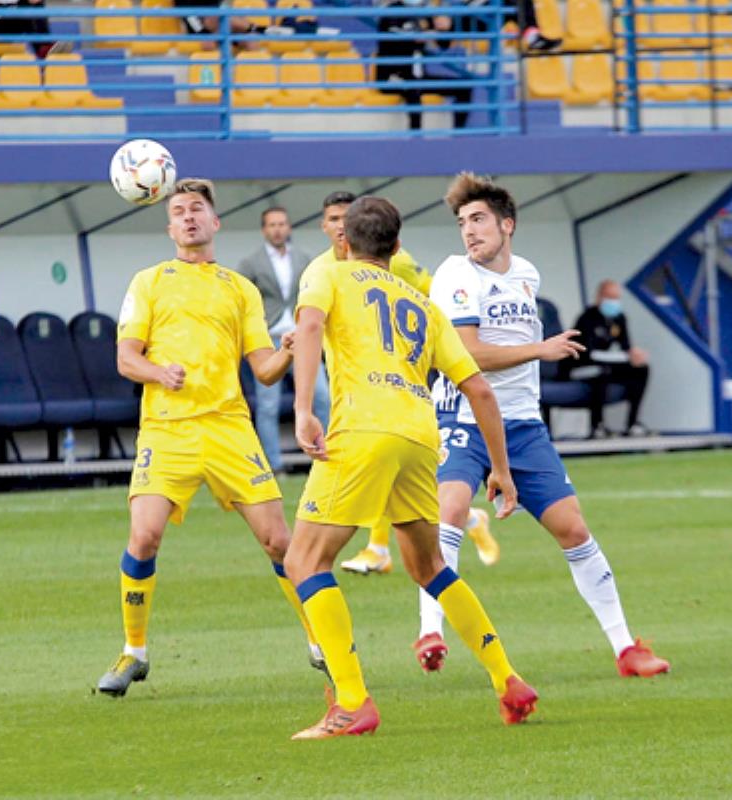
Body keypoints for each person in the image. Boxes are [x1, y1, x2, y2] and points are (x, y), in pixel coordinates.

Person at [284, 195, 538, 739]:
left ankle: (352, 702)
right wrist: (501, 470)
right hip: (421, 437)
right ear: (397, 247)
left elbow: (309, 327)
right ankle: (507, 679)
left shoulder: (328, 274)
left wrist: (303, 410)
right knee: (429, 567)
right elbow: (479, 390)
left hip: (362, 428)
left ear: (344, 241)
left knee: (303, 561)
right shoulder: (422, 304)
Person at [415, 172, 670, 679]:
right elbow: (468, 354)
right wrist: (540, 349)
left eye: (479, 219)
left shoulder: (526, 274)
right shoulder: (455, 274)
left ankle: (626, 649)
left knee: (573, 528)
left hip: (522, 424)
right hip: (462, 414)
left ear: (507, 225)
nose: (469, 231)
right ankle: (430, 631)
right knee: (452, 508)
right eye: (463, 222)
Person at [95, 179, 323, 697]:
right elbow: (126, 358)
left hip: (228, 429)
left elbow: (263, 370)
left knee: (279, 541)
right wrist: (159, 373)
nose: (189, 217)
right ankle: (134, 652)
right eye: (179, 211)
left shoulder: (239, 288)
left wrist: (287, 351)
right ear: (170, 227)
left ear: (214, 222)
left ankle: (319, 641)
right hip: (167, 430)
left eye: (197, 208)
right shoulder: (149, 282)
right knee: (144, 537)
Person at [309, 191, 498, 576]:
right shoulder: (320, 271)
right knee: (429, 562)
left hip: (392, 388)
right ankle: (467, 520)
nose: (340, 226)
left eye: (345, 218)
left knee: (306, 561)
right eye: (334, 219)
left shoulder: (389, 266)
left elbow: (432, 293)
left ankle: (378, 547)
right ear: (326, 226)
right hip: (361, 394)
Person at [234, 206, 330, 473]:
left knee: (322, 398)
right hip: (270, 339)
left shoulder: (304, 258)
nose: (277, 229)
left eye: (282, 224)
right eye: (272, 225)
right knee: (268, 406)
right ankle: (274, 465)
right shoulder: (251, 263)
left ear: (289, 227)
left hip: (302, 339)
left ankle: (327, 456)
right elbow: (239, 299)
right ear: (264, 229)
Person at [375, 0, 475, 131]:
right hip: (392, 76)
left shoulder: (425, 11)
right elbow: (396, 39)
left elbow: (443, 44)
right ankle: (416, 136)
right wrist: (419, 36)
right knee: (412, 90)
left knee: (463, 87)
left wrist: (446, 28)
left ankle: (459, 134)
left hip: (419, 76)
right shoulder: (393, 11)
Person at [571, 280, 652, 439]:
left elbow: (625, 347)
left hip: (607, 364)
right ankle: (598, 426)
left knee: (641, 369)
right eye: (610, 297)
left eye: (616, 298)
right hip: (582, 365)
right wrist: (624, 357)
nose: (613, 302)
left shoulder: (619, 318)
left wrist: (634, 355)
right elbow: (589, 352)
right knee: (602, 371)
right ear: (599, 297)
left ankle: (633, 424)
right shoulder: (587, 317)